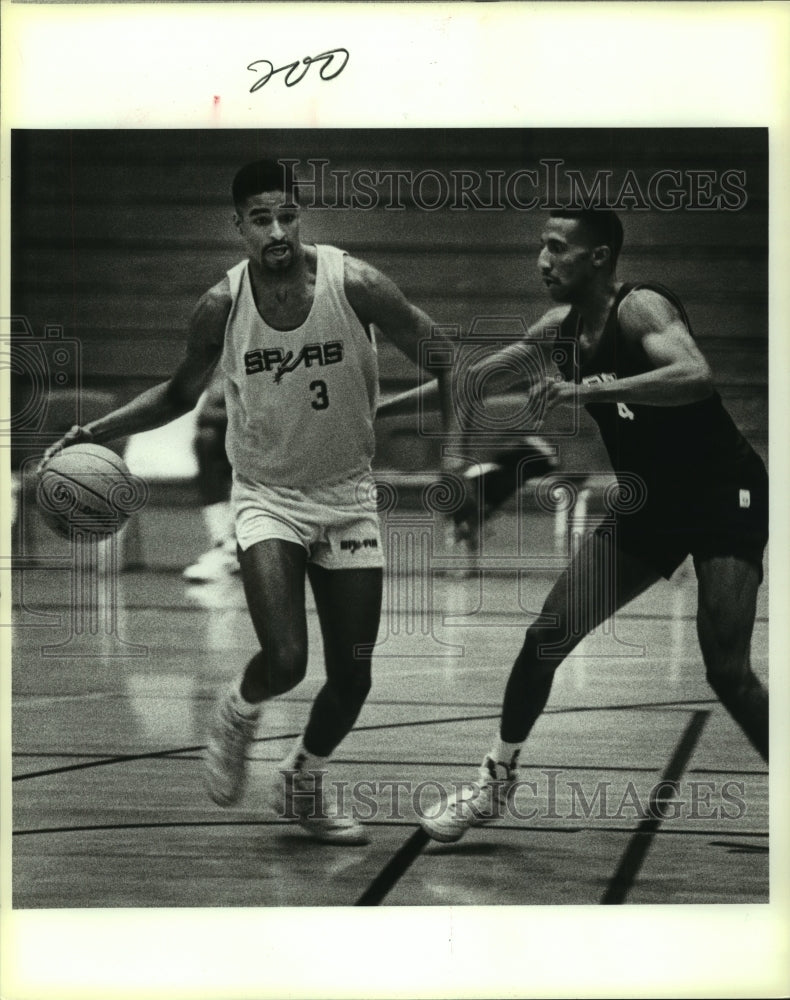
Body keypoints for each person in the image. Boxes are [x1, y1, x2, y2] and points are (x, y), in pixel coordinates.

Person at [41, 157, 460, 845]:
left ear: (301, 216)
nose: (277, 231)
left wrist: (458, 459)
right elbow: (179, 393)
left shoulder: (355, 284)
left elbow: (448, 359)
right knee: (287, 660)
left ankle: (301, 781)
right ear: (238, 226)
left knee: (353, 677)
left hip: (348, 496)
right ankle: (237, 712)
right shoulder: (221, 305)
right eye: (261, 219)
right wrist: (99, 429)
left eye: (288, 215)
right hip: (268, 497)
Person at [418, 208, 769, 843]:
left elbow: (694, 376)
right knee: (545, 638)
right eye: (540, 247)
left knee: (728, 671)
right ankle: (496, 778)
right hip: (651, 505)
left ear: (599, 257)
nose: (542, 261)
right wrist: (388, 414)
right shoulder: (559, 330)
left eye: (558, 248)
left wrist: (590, 393)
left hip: (723, 494)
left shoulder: (642, 310)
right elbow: (471, 379)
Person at [182, 368, 239, 583]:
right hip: (250, 434)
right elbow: (205, 413)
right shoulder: (230, 349)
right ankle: (226, 546)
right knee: (206, 440)